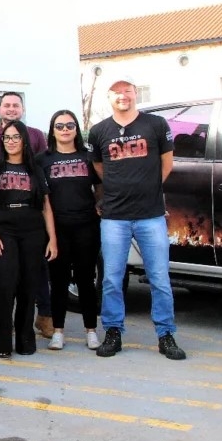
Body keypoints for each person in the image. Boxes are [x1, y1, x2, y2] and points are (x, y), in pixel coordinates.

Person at [88, 78, 186, 361]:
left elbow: (167, 164)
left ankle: (166, 334)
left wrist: (149, 188)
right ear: (109, 98)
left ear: (135, 95)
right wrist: (120, 188)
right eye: (117, 93)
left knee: (159, 278)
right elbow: (98, 166)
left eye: (127, 92)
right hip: (114, 217)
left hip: (150, 215)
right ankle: (113, 332)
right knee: (112, 279)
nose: (123, 97)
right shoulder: (99, 131)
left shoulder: (155, 125)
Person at [0, 120, 57, 359]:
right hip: (4, 231)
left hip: (33, 231)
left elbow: (46, 207)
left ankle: (25, 339)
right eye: (6, 137)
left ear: (24, 140)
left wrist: (52, 239)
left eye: (15, 137)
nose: (11, 142)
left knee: (28, 286)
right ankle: (1, 341)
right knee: (4, 285)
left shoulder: (35, 169)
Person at [41, 110, 102, 351]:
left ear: (76, 129)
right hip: (56, 229)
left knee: (87, 280)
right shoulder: (42, 160)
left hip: (86, 225)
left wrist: (100, 205)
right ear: (52, 130)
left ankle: (91, 330)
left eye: (69, 125)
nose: (65, 129)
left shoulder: (88, 157)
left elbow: (100, 187)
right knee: (58, 281)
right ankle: (58, 331)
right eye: (59, 125)